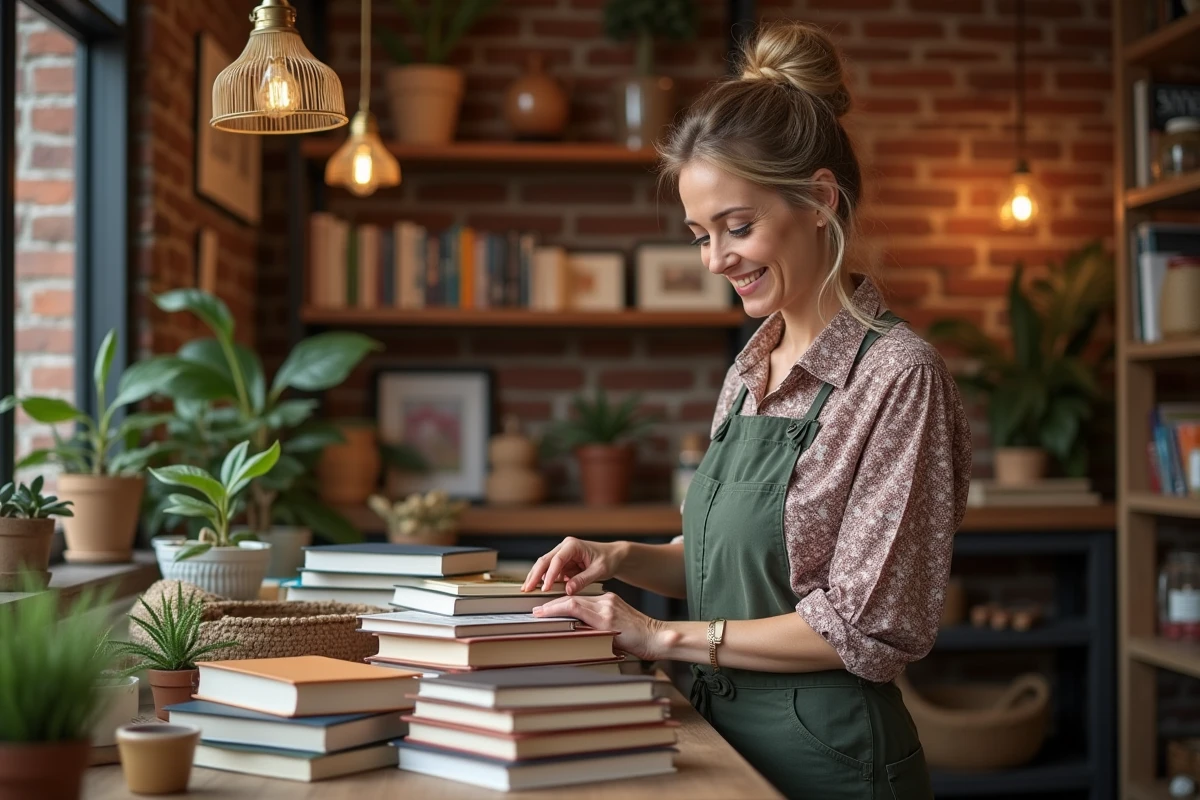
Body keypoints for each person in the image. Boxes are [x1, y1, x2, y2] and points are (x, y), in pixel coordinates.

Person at [521, 19, 972, 800]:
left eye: (738, 226)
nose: (715, 259)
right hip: (717, 741)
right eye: (700, 235)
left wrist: (659, 635)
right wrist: (622, 556)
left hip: (830, 763)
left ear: (819, 201)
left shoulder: (898, 378)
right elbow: (736, 568)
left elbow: (862, 628)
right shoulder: (751, 366)